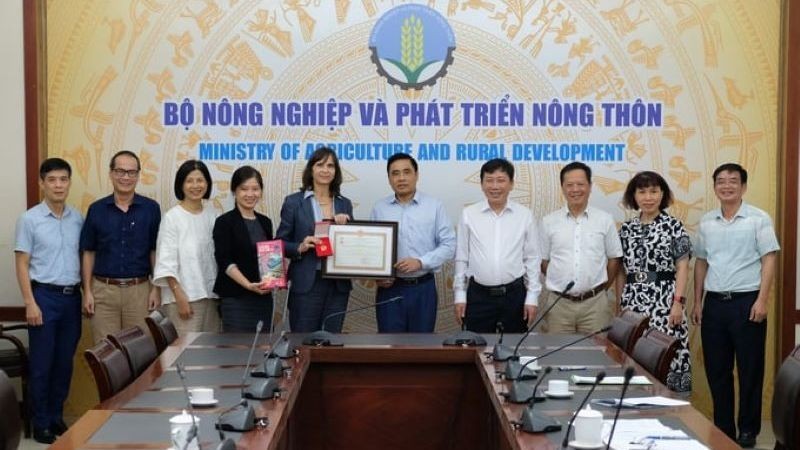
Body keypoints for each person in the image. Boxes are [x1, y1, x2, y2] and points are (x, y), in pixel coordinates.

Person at [693, 163, 779, 448]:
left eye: (733, 181)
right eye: (721, 181)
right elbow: (701, 262)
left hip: (747, 302)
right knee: (717, 371)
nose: (726, 185)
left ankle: (748, 430)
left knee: (750, 370)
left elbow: (769, 258)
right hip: (715, 304)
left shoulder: (758, 219)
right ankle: (723, 428)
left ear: (743, 186)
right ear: (715, 186)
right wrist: (698, 301)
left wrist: (762, 299)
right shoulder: (707, 221)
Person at [14, 158, 83, 443]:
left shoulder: (77, 217)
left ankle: (55, 417)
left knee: (64, 363)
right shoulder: (29, 219)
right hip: (43, 297)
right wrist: (30, 302)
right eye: (52, 179)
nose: (58, 185)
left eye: (63, 179)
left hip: (71, 299)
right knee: (42, 364)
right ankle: (40, 421)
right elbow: (21, 264)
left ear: (69, 182)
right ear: (42, 183)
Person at [616, 171, 692, 392]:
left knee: (667, 357)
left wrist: (678, 303)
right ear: (634, 196)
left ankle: (674, 414)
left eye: (653, 191)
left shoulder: (674, 226)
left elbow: (683, 266)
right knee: (633, 359)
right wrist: (620, 303)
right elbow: (621, 270)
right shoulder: (626, 229)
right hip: (633, 303)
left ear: (662, 194)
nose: (648, 197)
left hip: (665, 302)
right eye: (642, 192)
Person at [80, 150, 161, 342]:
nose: (126, 177)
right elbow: (88, 252)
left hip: (139, 291)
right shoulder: (96, 209)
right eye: (120, 171)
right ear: (111, 173)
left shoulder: (151, 209)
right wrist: (88, 291)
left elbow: (155, 250)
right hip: (103, 292)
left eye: (131, 172)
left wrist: (156, 288)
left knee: (139, 351)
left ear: (138, 175)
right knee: (105, 353)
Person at [453, 158, 541, 333]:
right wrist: (460, 295)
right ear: (482, 184)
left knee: (513, 349)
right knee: (476, 349)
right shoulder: (469, 214)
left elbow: (532, 258)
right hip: (478, 296)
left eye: (501, 180)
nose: (495, 186)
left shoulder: (524, 215)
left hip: (514, 295)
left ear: (511, 184)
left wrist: (532, 297)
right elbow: (461, 257)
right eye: (489, 180)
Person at [370, 153, 455, 332]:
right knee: (389, 346)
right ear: (389, 178)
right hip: (390, 289)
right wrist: (379, 275)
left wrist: (420, 262)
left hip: (423, 288)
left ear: (416, 175)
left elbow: (449, 245)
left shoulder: (434, 206)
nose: (401, 178)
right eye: (395, 173)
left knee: (421, 348)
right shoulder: (379, 208)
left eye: (406, 172)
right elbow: (373, 248)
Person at [539, 162, 622, 334]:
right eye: (569, 185)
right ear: (562, 188)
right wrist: (560, 278)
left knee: (597, 356)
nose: (575, 189)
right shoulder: (548, 222)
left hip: (595, 305)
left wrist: (600, 287)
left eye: (580, 184)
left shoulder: (604, 220)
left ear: (590, 187)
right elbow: (543, 261)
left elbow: (615, 258)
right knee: (555, 358)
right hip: (558, 305)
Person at [277, 147, 353, 332]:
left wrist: (348, 228)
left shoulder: (344, 203)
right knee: (302, 342)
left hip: (337, 284)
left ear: (336, 171)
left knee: (332, 341)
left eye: (330, 166)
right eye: (320, 165)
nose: (325, 170)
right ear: (311, 169)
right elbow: (279, 244)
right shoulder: (294, 202)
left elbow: (351, 246)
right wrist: (300, 246)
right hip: (306, 283)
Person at [153, 160, 219, 334]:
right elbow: (166, 261)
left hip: (211, 297)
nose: (195, 185)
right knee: (186, 354)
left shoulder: (213, 216)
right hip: (183, 299)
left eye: (200, 180)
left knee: (211, 353)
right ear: (181, 185)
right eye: (189, 181)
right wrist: (178, 295)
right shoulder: (172, 218)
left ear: (207, 183)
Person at [213, 166, 274, 332]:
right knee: (237, 353)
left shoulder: (265, 222)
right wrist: (248, 285)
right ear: (234, 191)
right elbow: (224, 261)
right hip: (236, 299)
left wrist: (274, 279)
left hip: (263, 299)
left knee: (263, 350)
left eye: (255, 189)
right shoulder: (224, 222)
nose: (250, 194)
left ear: (261, 191)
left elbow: (270, 258)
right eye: (244, 189)